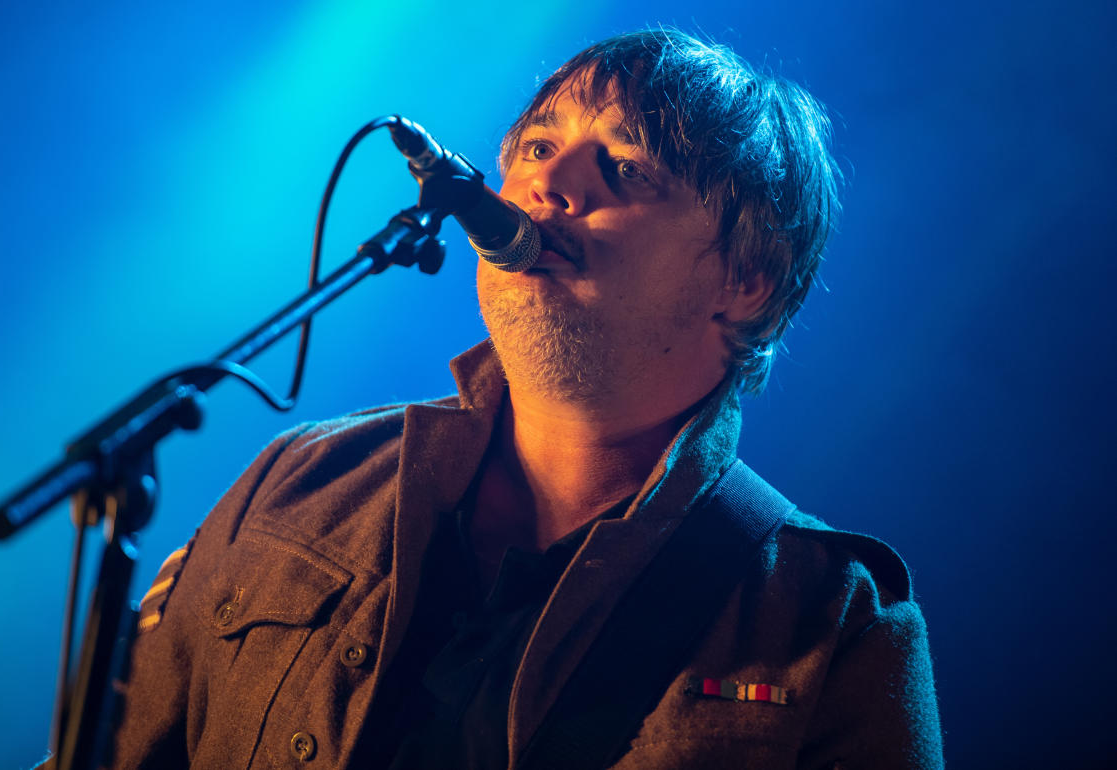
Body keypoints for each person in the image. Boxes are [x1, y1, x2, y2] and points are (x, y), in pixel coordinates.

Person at [108, 29, 944, 769]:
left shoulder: (838, 630)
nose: (547, 184)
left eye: (622, 167)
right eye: (537, 148)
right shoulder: (299, 482)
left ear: (746, 279)